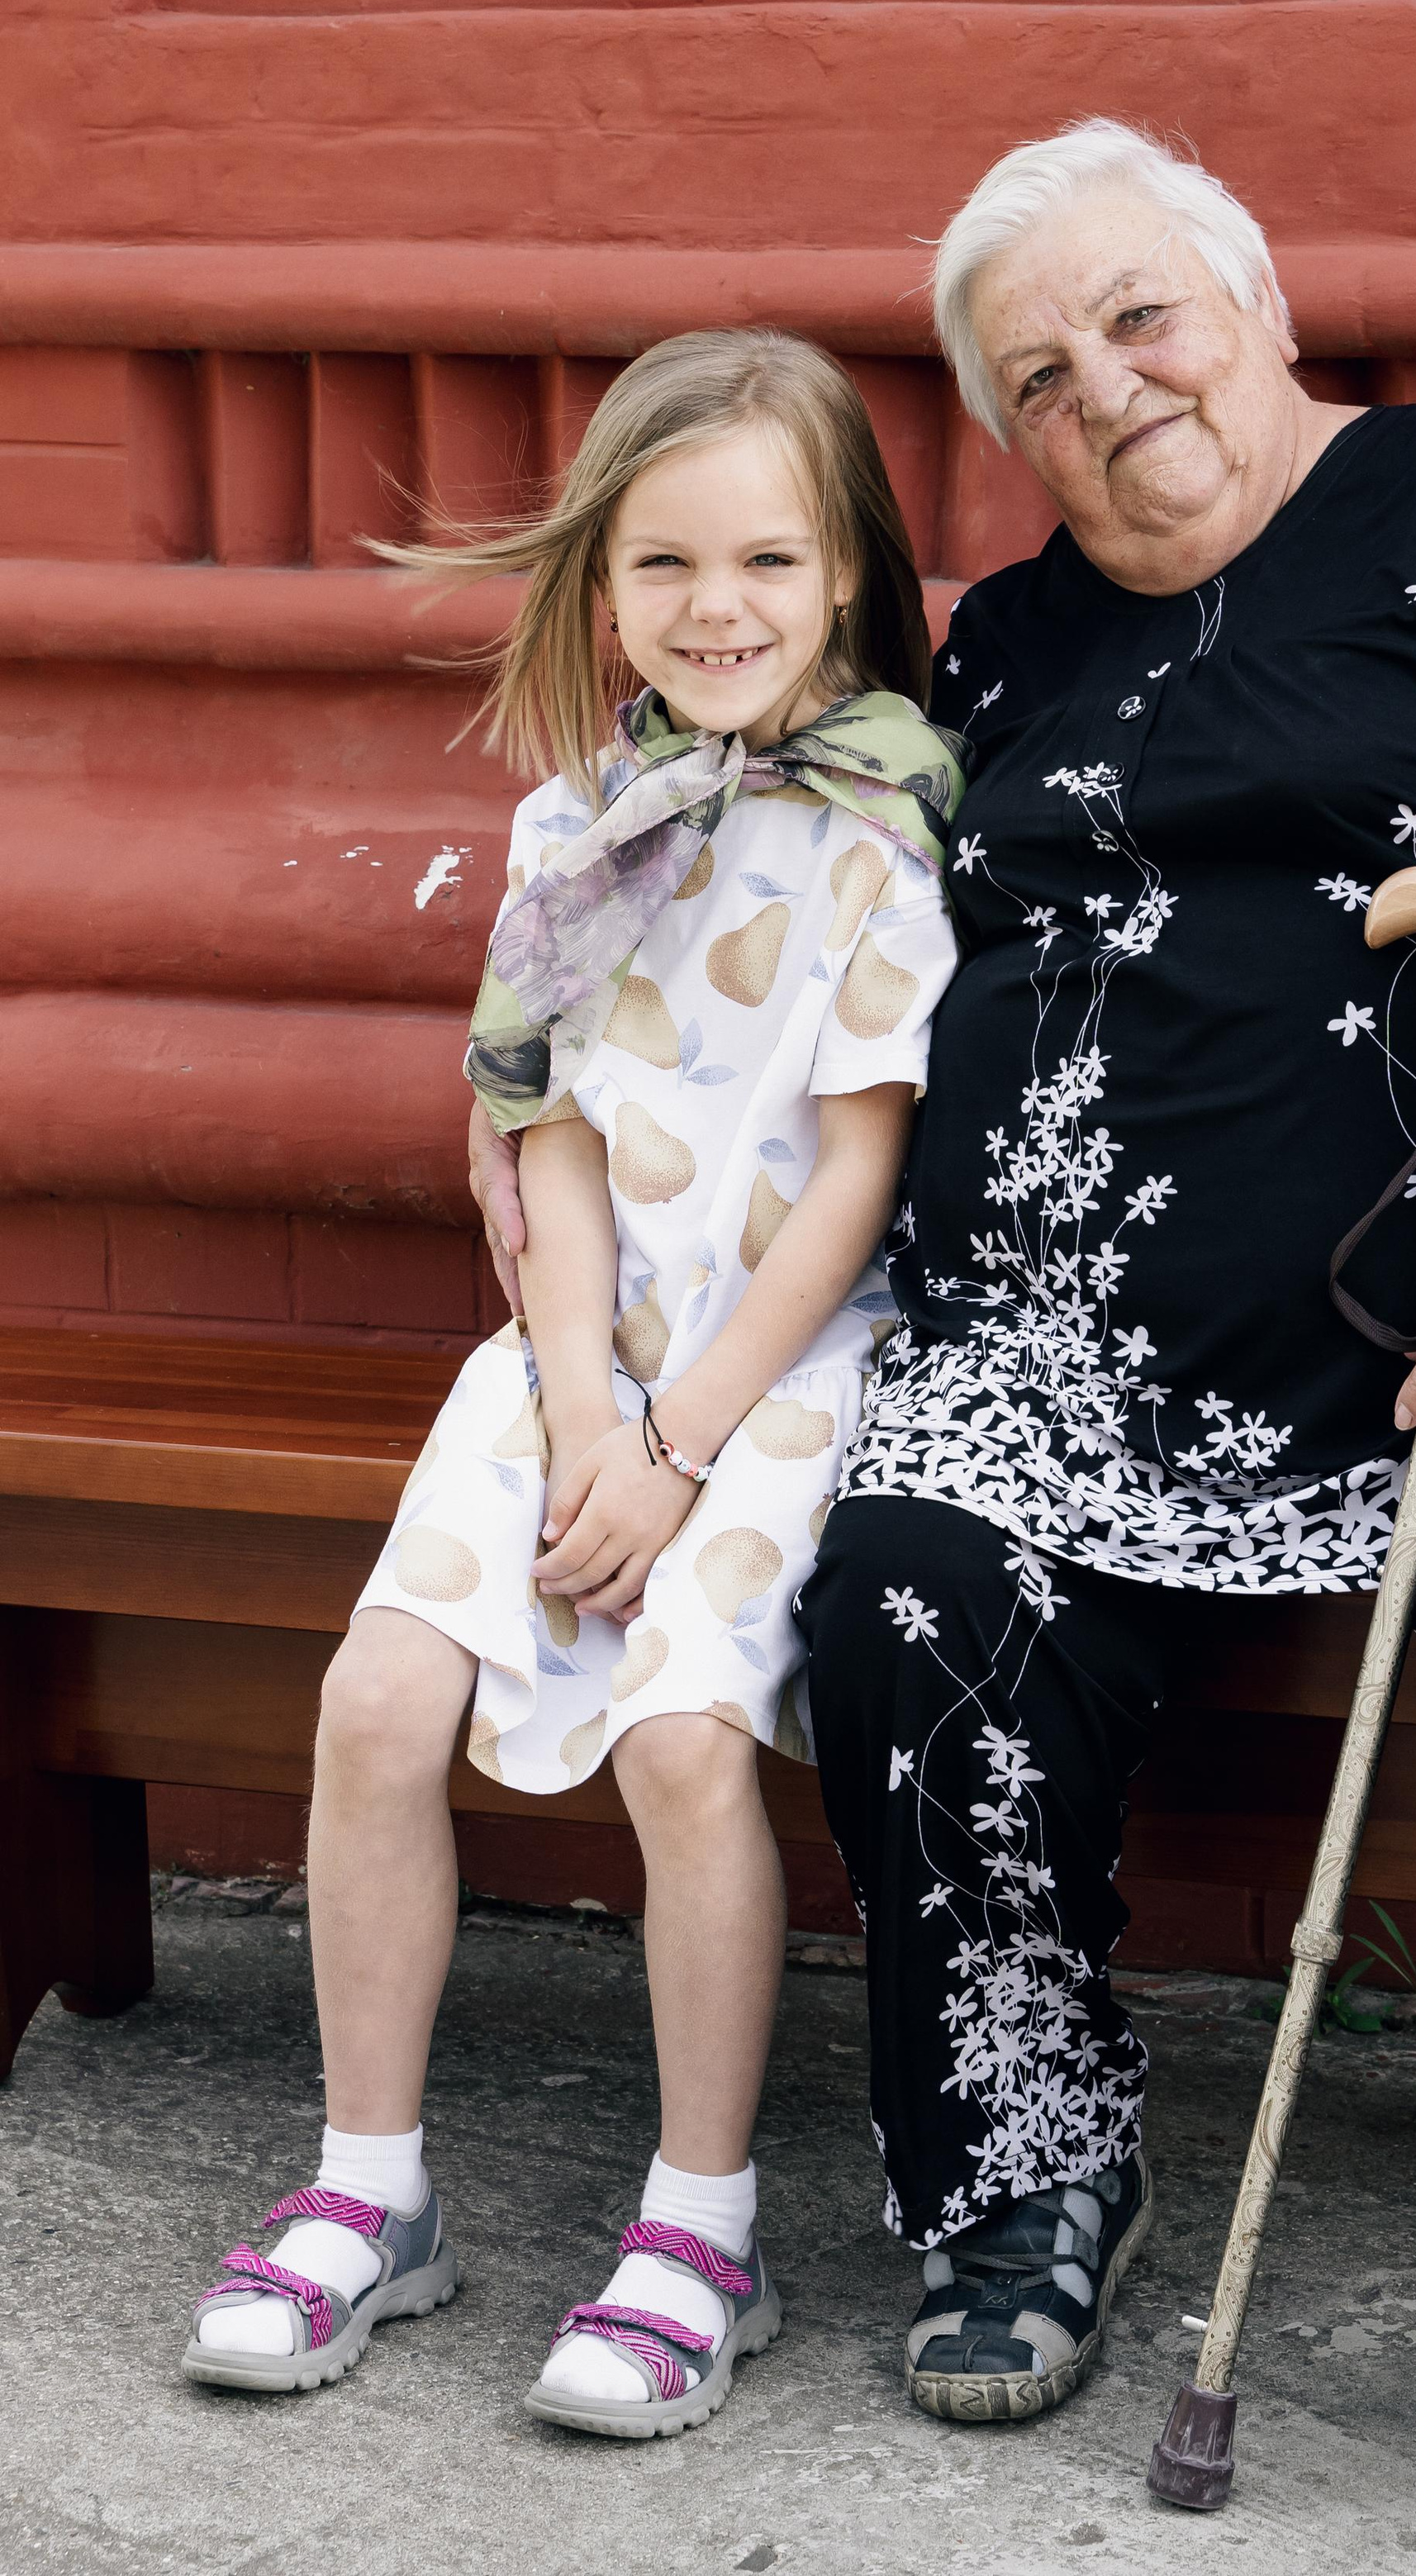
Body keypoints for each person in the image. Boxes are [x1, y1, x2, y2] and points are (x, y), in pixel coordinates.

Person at [474, 123, 1416, 2576]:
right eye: (1036, 373)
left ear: (1253, 298)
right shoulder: (1003, 653)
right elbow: (770, 895)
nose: (1107, 388)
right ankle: (1027, 2161)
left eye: (1141, 319)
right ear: (1001, 439)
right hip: (1076, 1338)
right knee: (905, 1568)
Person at [184, 330, 962, 2441]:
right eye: (664, 565)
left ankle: (701, 2222)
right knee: (373, 1698)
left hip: (785, 1366)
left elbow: (861, 1173)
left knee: (686, 1733)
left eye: (768, 563)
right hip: (576, 1346)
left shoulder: (888, 826)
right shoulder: (574, 822)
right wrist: (582, 1406)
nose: (716, 608)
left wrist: (681, 1439)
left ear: (850, 580)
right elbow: (542, 1134)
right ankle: (373, 2191)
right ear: (598, 588)